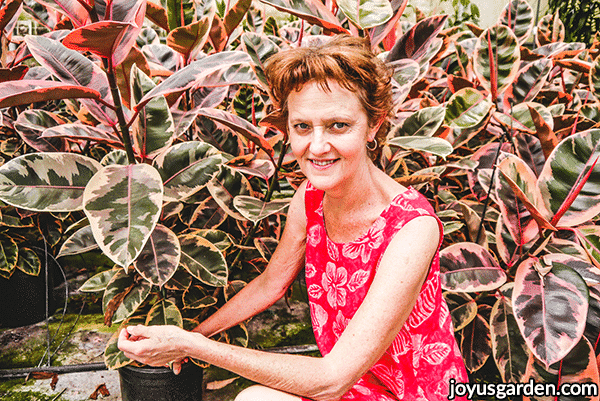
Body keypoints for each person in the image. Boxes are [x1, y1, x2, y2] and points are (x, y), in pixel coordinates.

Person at [118, 34, 469, 401]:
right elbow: (271, 284)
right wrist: (194, 337)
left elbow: (332, 379)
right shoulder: (311, 198)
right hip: (357, 387)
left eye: (338, 125)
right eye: (302, 127)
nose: (316, 146)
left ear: (374, 125)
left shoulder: (412, 228)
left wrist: (196, 347)